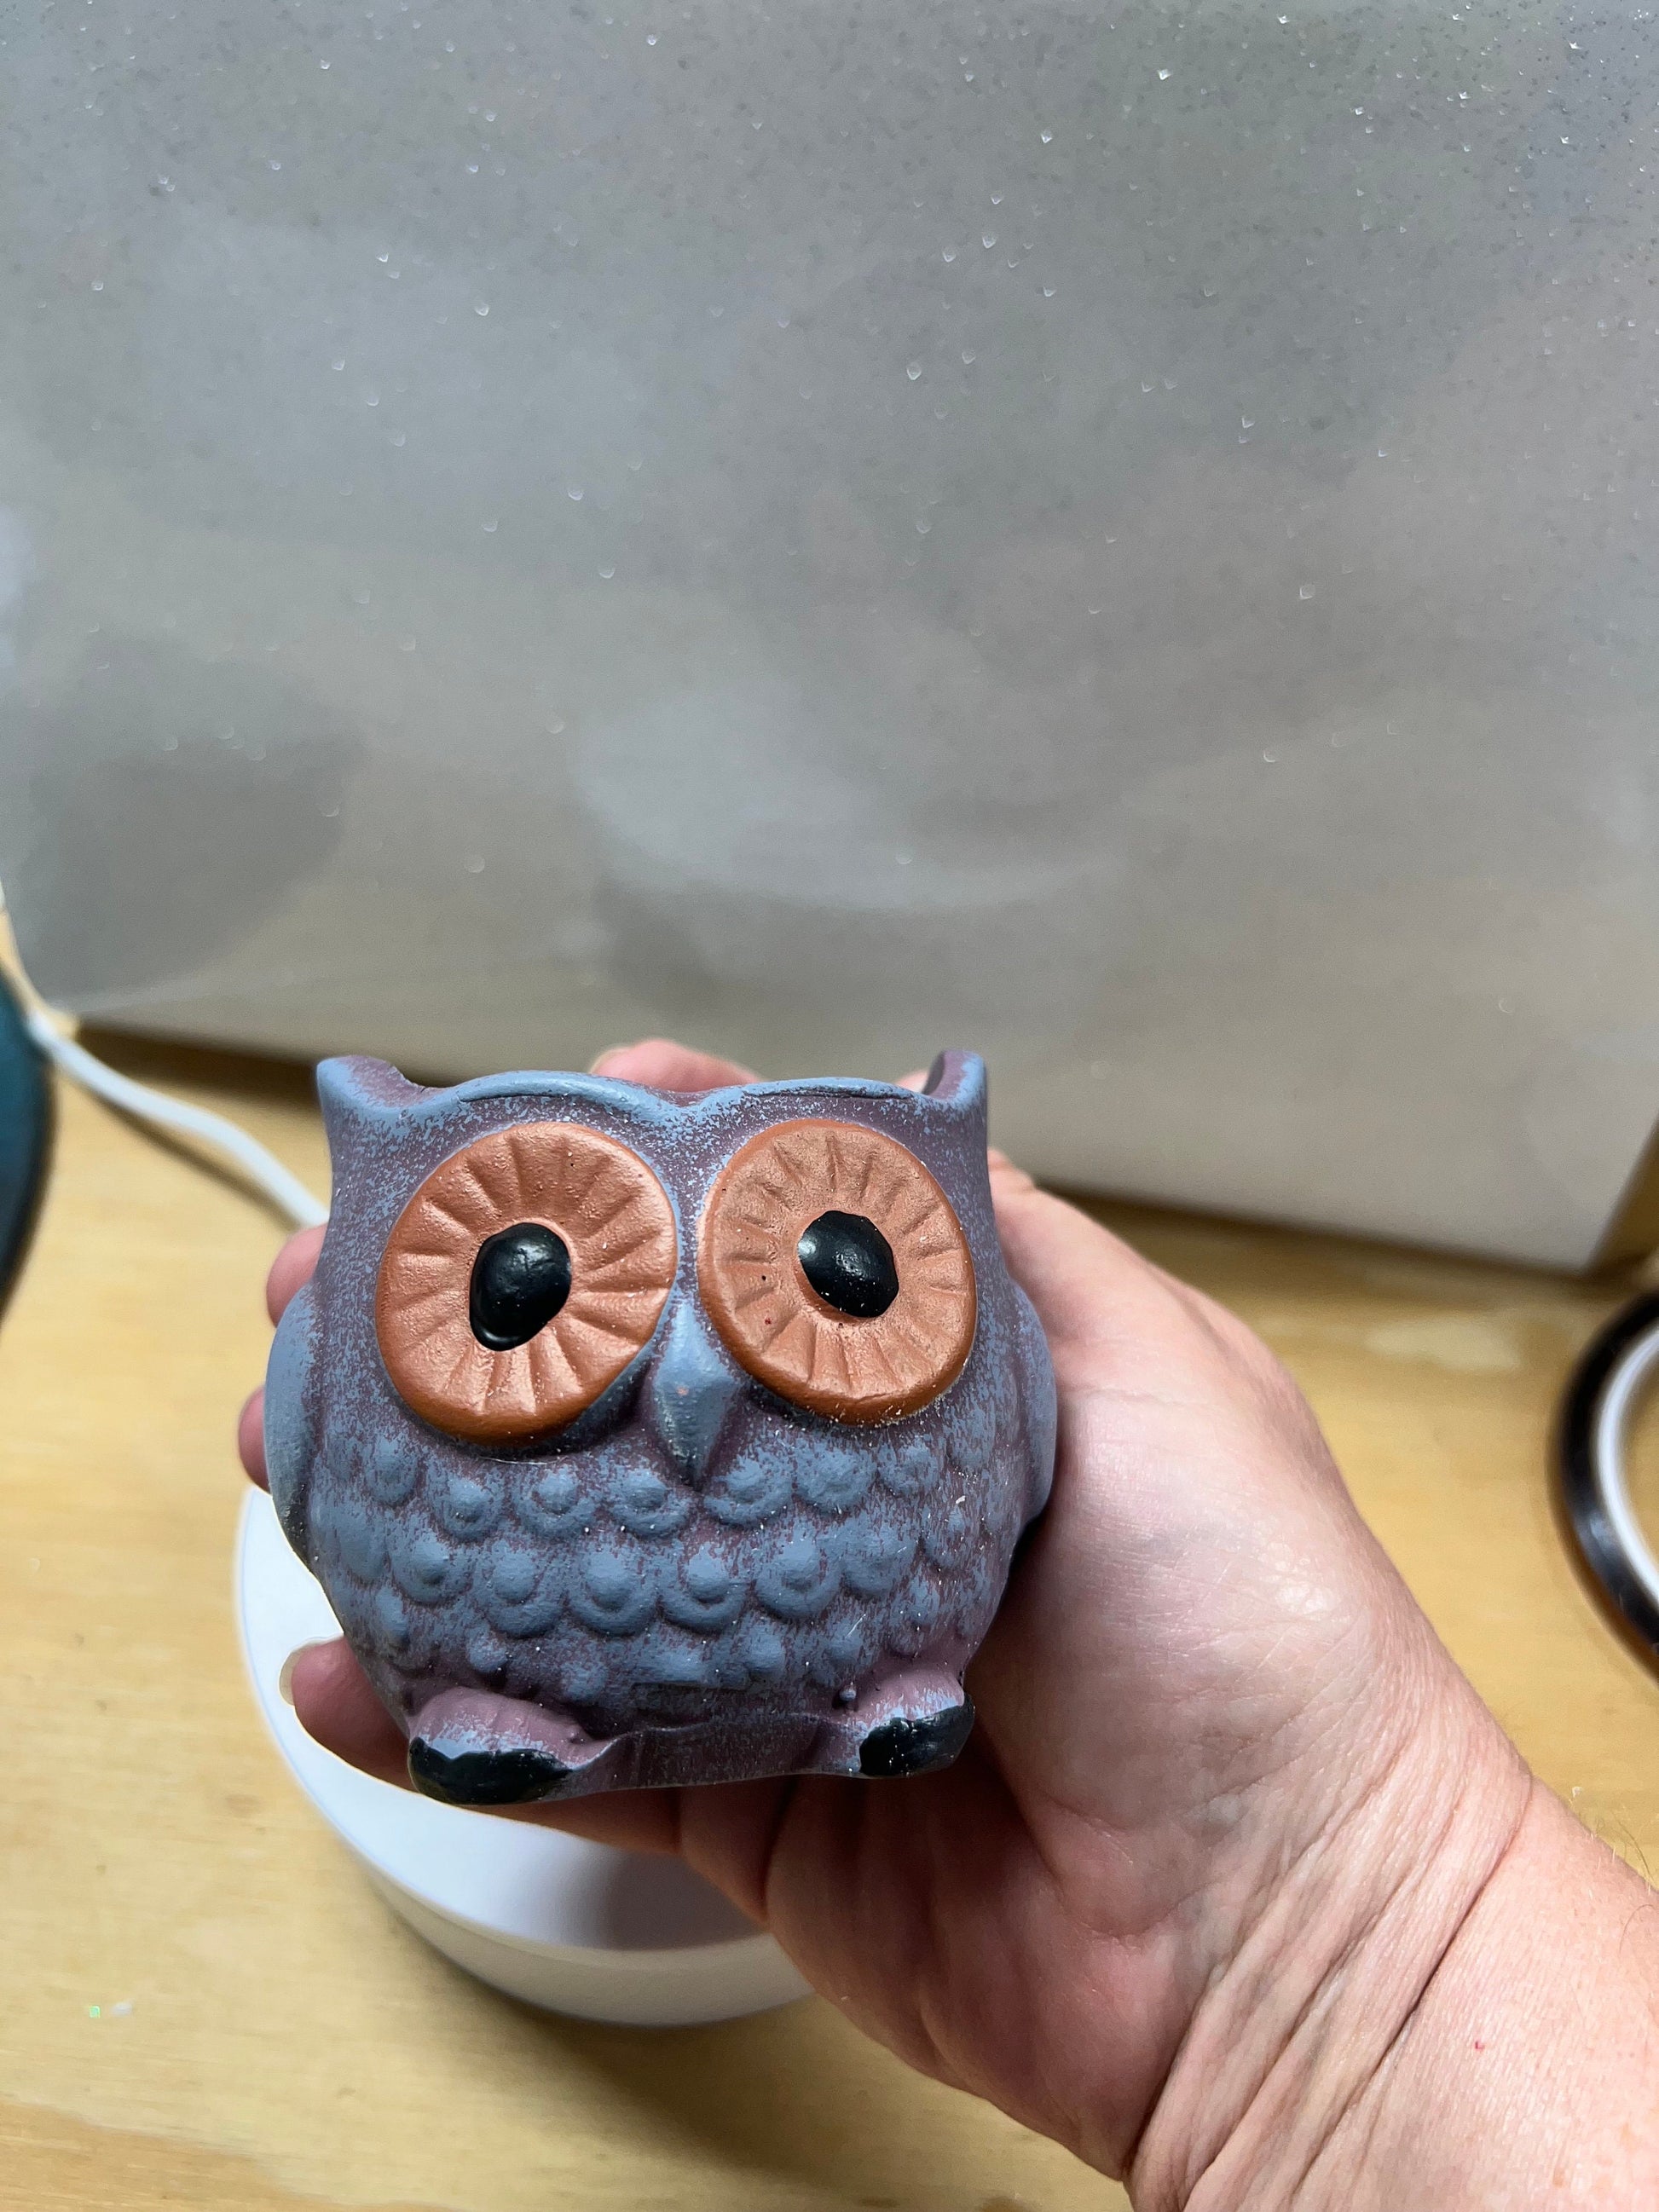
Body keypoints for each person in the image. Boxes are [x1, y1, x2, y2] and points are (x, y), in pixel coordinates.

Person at [237, 1039, 1659, 2207]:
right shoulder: (345, 1359)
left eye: (839, 1267)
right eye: (526, 1281)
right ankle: (503, 1716)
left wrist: (1361, 1907)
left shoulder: (995, 1359)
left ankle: (885, 1697)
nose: (690, 1381)